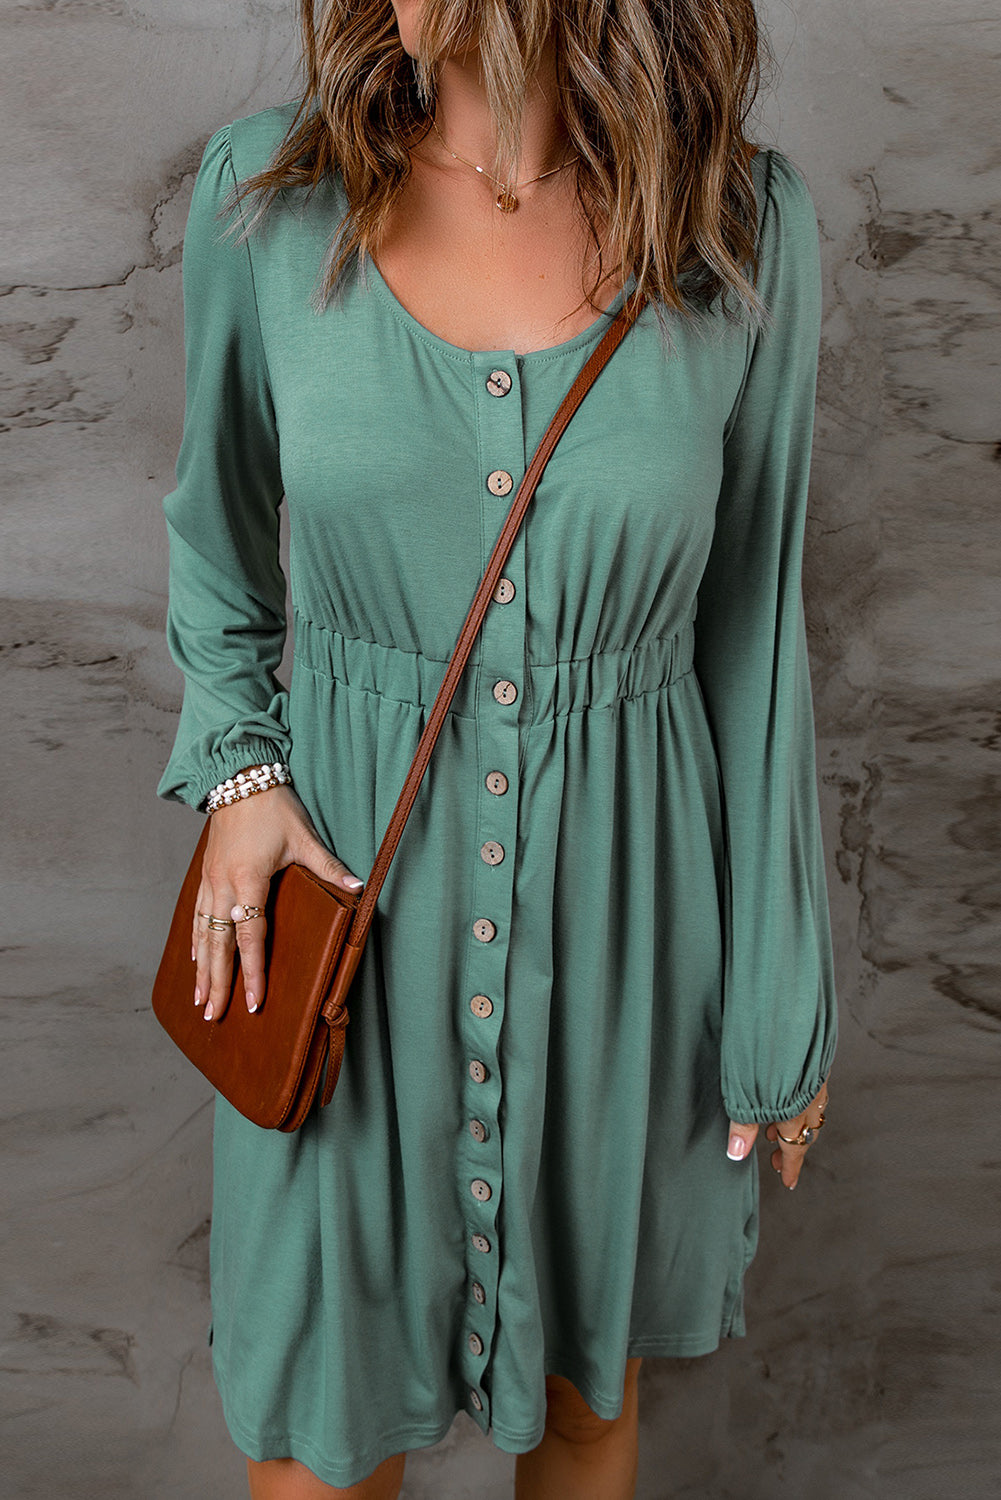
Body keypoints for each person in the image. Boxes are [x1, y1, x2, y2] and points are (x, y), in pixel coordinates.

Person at [155, 0, 838, 1495]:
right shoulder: (268, 199)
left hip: (629, 924)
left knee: (588, 1400)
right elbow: (215, 545)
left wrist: (777, 997)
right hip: (345, 907)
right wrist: (242, 775)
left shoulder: (739, 227)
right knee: (322, 1431)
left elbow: (753, 623)